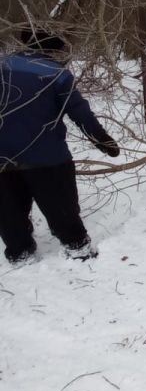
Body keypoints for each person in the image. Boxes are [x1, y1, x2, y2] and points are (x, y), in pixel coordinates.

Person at [0, 26, 120, 264]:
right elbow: (79, 111)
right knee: (60, 203)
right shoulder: (56, 74)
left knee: (8, 210)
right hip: (46, 157)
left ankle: (19, 251)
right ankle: (77, 246)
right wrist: (101, 139)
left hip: (2, 158)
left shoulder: (2, 65)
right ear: (53, 48)